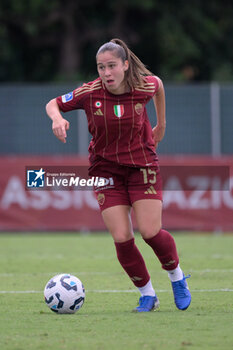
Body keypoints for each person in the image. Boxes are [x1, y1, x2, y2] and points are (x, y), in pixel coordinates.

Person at [46, 38, 191, 312]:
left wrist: (161, 124)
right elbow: (53, 103)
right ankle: (147, 294)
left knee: (149, 232)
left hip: (142, 167)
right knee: (123, 237)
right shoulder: (90, 92)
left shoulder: (142, 86)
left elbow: (158, 85)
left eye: (112, 66)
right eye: (101, 67)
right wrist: (57, 118)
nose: (106, 73)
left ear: (125, 65)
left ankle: (177, 277)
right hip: (105, 171)